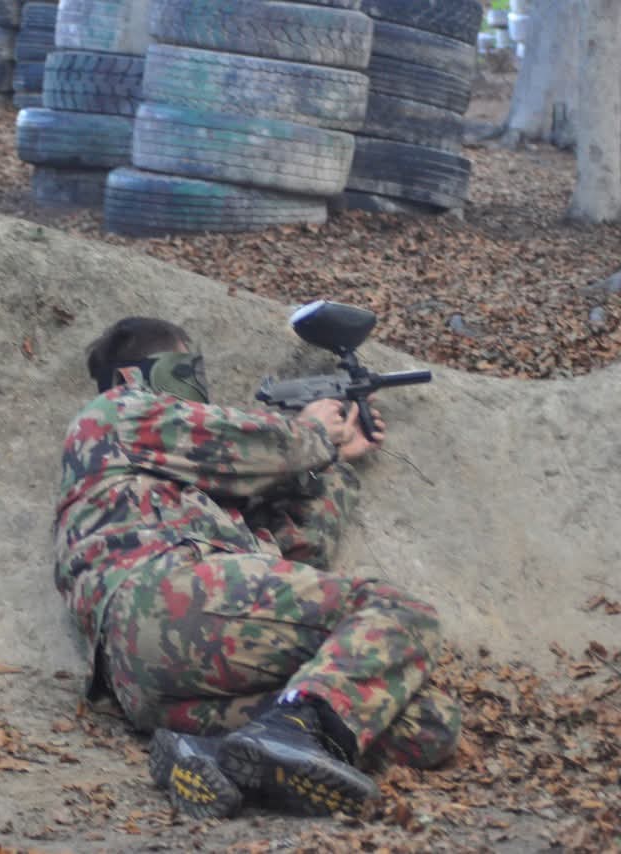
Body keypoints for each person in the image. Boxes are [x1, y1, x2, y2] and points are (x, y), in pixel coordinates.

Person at [52, 316, 460, 819]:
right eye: (187, 366)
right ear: (139, 374)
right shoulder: (114, 412)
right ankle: (291, 730)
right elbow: (251, 440)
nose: (199, 384)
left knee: (427, 723)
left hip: (155, 687)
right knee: (399, 610)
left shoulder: (202, 490)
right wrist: (313, 432)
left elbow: (300, 556)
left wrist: (336, 461)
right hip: (161, 598)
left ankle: (206, 751)